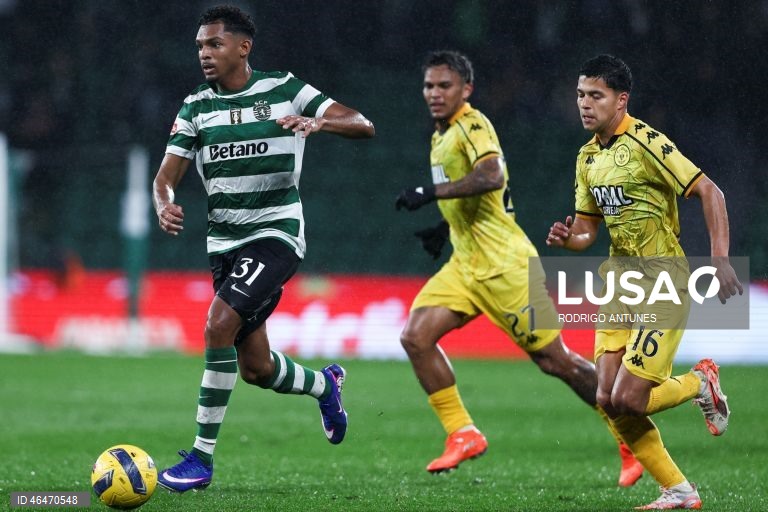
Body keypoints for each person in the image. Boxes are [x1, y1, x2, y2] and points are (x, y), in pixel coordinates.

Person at [152, 5, 374, 492]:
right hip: (224, 243)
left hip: (276, 235)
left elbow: (363, 123)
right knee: (256, 367)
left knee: (217, 323)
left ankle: (201, 460)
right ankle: (325, 386)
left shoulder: (285, 89)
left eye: (214, 44)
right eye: (200, 47)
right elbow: (165, 177)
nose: (204, 54)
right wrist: (163, 204)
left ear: (243, 46)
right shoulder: (195, 106)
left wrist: (320, 124)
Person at [394, 50, 642, 485]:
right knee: (416, 337)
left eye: (445, 86)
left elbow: (492, 176)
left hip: (505, 265)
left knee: (557, 362)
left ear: (465, 90)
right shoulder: (443, 133)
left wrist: (430, 192)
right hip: (466, 262)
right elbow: (482, 198)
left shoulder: (472, 125)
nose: (435, 93)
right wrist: (443, 223)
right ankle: (463, 433)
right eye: (429, 86)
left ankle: (631, 436)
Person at [546, 54, 743, 510]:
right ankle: (678, 490)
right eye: (580, 94)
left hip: (662, 281)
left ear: (621, 100)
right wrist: (568, 238)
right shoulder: (588, 157)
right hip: (619, 282)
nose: (585, 104)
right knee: (606, 397)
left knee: (629, 399)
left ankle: (700, 382)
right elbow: (588, 230)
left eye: (596, 95)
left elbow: (709, 190)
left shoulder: (646, 141)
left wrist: (720, 260)